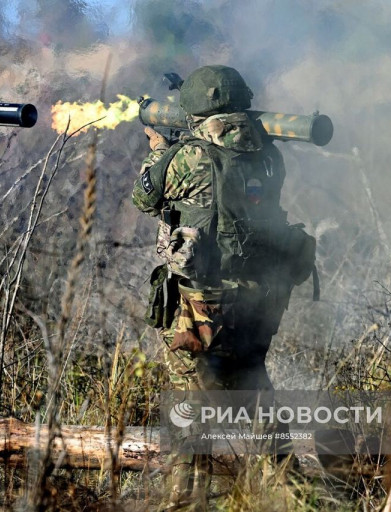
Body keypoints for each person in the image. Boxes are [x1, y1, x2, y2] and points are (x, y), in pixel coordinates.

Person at [132, 65, 305, 509]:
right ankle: (296, 488)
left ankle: (185, 500)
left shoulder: (187, 157)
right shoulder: (269, 155)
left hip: (203, 302)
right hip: (263, 295)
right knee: (253, 383)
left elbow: (145, 197)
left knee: (192, 399)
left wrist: (158, 150)